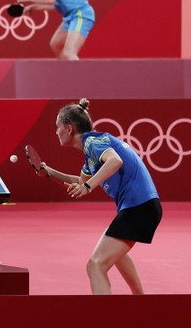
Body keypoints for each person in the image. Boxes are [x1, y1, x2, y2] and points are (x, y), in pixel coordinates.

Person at [36, 99, 162, 295]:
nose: (56, 132)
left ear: (69, 129)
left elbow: (115, 161)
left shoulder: (93, 141)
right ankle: (141, 301)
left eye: (57, 127)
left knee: (95, 265)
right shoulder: (92, 154)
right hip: (143, 206)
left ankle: (105, 319)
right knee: (116, 255)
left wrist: (88, 186)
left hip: (139, 207)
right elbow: (78, 181)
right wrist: (49, 173)